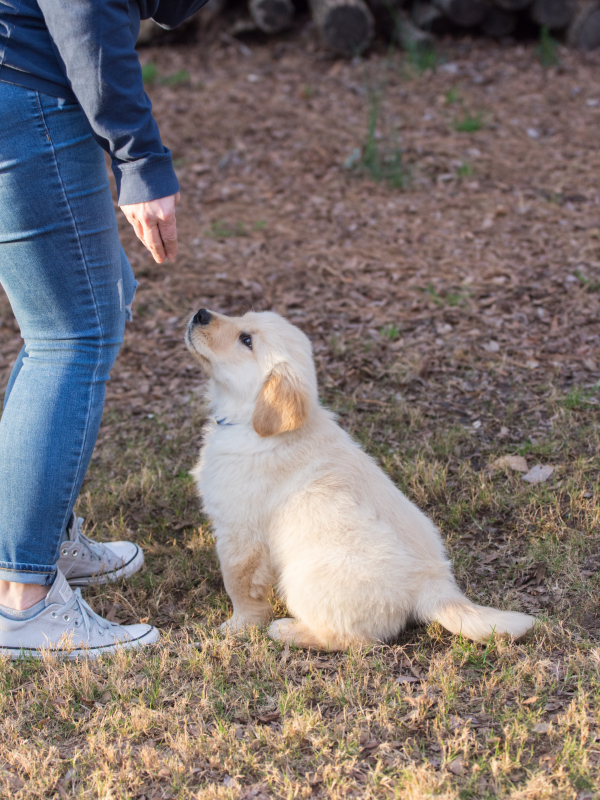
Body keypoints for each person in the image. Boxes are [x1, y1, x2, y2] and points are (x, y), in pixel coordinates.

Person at [0, 0, 206, 658]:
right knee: (69, 336)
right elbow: (84, 10)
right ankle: (22, 599)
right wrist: (139, 157)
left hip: (22, 80)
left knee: (98, 301)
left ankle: (34, 534)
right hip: (26, 88)